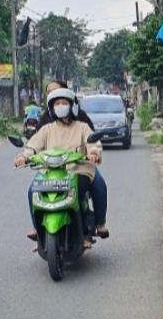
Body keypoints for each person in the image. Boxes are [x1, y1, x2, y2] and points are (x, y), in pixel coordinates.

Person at [15, 88, 109, 247]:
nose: (60, 106)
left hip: (78, 170)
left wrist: (93, 152)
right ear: (52, 108)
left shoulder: (82, 127)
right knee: (32, 191)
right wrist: (23, 156)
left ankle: (88, 230)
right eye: (57, 103)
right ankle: (39, 230)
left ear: (72, 106)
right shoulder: (47, 129)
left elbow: (92, 142)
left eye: (64, 103)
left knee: (80, 191)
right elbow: (33, 146)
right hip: (50, 173)